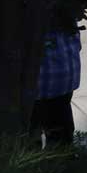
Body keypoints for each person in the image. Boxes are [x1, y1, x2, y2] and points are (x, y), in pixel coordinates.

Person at [32, 18, 81, 146]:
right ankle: (62, 156)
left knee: (30, 132)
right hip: (65, 74)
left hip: (39, 80)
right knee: (61, 125)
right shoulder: (67, 3)